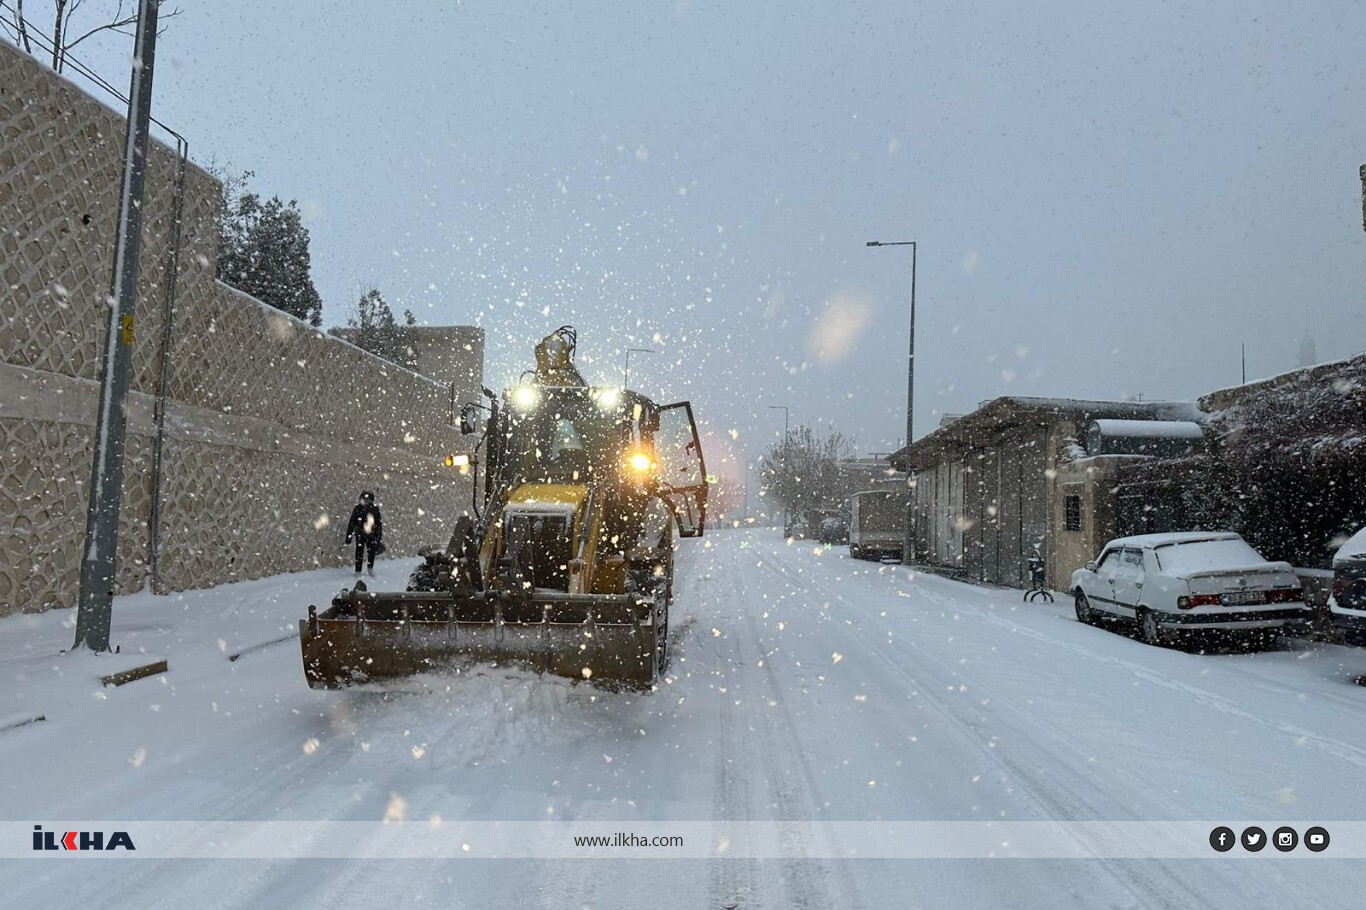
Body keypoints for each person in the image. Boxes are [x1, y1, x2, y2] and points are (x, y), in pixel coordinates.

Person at [344, 490, 383, 576]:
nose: (366, 501)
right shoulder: (358, 508)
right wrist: (349, 536)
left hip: (371, 535)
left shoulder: (374, 509)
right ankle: (358, 570)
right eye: (364, 499)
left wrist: (378, 536)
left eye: (368, 499)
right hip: (360, 534)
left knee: (371, 552)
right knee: (359, 552)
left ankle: (370, 568)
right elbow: (352, 522)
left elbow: (378, 523)